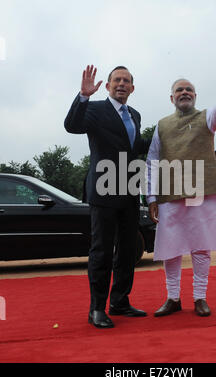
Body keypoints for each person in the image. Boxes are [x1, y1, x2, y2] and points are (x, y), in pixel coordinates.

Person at [146, 41, 216, 317]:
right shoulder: (161, 125)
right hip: (169, 195)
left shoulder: (207, 118)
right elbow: (152, 162)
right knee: (170, 249)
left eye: (189, 89)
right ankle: (173, 298)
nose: (184, 93)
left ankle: (200, 297)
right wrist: (151, 197)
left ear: (195, 95)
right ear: (171, 98)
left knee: (201, 247)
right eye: (179, 89)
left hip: (200, 191)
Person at [65, 65, 150, 328]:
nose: (121, 84)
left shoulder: (134, 114)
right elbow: (72, 126)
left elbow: (134, 148)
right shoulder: (95, 109)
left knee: (127, 250)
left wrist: (165, 137)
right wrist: (83, 96)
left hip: (128, 190)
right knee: (101, 250)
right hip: (103, 188)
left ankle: (120, 301)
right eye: (117, 80)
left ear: (132, 88)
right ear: (108, 85)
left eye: (126, 81)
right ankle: (97, 309)